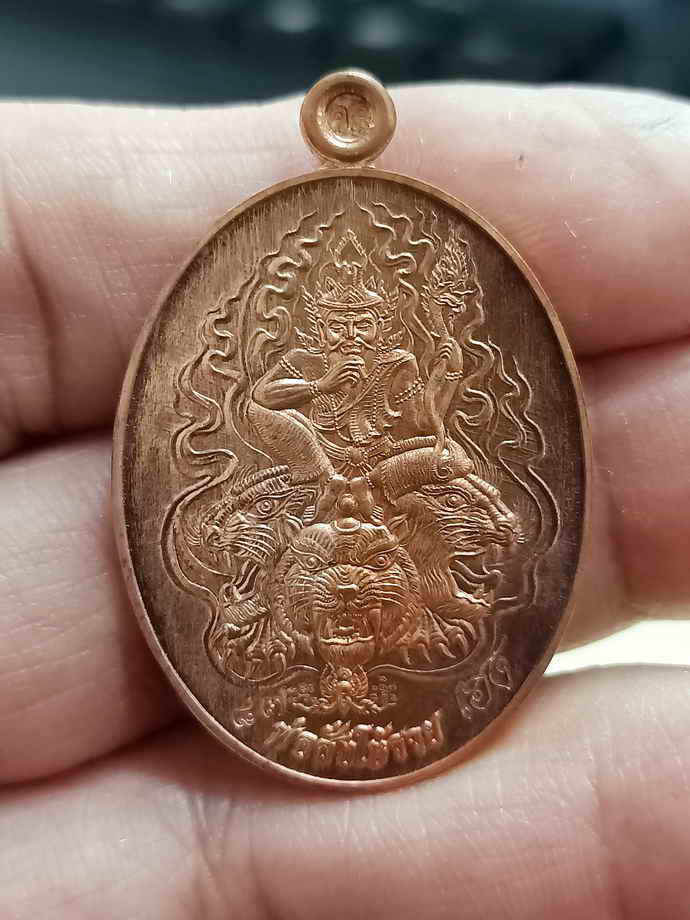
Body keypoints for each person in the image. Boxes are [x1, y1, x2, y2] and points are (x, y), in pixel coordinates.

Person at [1, 83, 689, 917]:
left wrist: (422, 436)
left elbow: (441, 432)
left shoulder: (407, 369)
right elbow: (259, 415)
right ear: (319, 323)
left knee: (470, 507)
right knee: (248, 528)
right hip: (308, 488)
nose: (353, 338)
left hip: (391, 486)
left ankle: (422, 585)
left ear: (388, 325)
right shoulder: (299, 374)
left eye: (367, 328)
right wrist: (323, 412)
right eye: (339, 327)